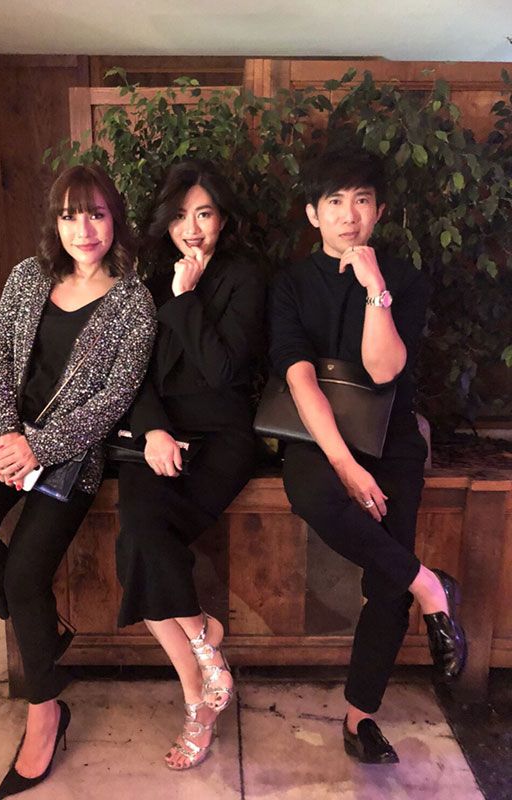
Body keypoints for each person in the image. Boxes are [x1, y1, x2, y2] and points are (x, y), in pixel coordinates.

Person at [0, 165, 156, 798]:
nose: (83, 229)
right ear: (54, 223)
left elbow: (114, 400)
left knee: (25, 575)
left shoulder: (134, 301)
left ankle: (45, 713)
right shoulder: (27, 277)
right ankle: (44, 632)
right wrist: (8, 433)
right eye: (68, 216)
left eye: (95, 214)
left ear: (115, 219)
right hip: (2, 437)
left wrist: (40, 445)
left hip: (71, 458)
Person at [269, 147, 466, 764]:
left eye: (361, 200)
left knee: (386, 581)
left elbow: (384, 370)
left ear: (379, 211)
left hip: (392, 437)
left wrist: (375, 288)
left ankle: (360, 719)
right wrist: (345, 464)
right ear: (313, 213)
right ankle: (429, 584)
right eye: (334, 201)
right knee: (315, 494)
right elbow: (300, 379)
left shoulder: (403, 279)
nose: (348, 215)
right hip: (316, 435)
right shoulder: (291, 284)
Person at [115, 159, 266, 770]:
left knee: (145, 550)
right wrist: (152, 429)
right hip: (157, 435)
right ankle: (203, 661)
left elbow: (223, 370)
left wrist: (185, 298)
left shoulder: (246, 276)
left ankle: (201, 693)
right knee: (139, 536)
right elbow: (134, 375)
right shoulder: (147, 279)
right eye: (180, 216)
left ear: (223, 218)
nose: (193, 229)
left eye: (204, 214)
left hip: (223, 436)